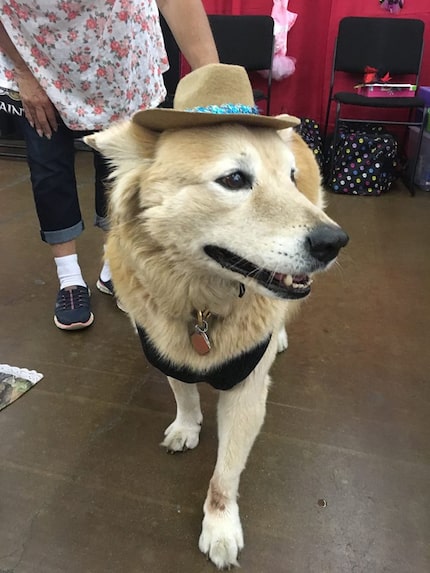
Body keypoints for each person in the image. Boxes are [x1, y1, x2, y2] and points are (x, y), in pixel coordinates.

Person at [0, 0, 219, 330]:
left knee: (120, 167)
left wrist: (215, 88)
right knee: (49, 167)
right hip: (36, 56)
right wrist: (23, 72)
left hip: (119, 54)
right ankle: (70, 278)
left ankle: (115, 266)